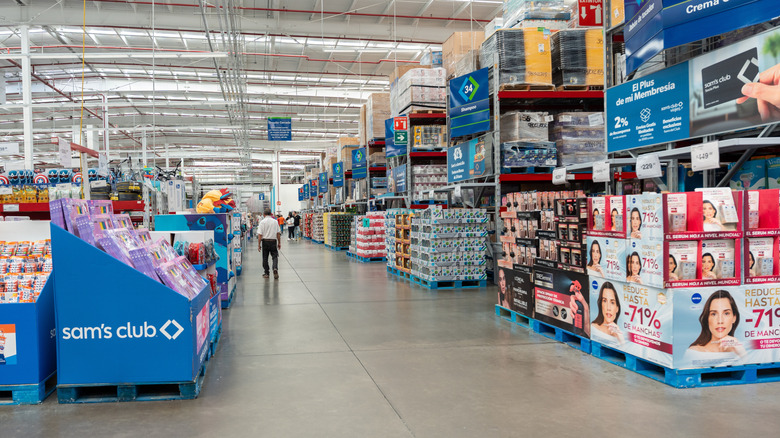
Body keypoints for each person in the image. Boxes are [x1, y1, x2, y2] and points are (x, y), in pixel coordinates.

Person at [687, 290, 746, 358]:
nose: (720, 321)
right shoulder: (694, 353)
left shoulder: (740, 351)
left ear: (734, 318)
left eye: (726, 313)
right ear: (707, 318)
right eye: (714, 314)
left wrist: (743, 355)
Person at [258, 208, 282, 279]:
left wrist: (259, 245)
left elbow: (260, 235)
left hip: (265, 241)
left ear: (264, 214)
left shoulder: (262, 222)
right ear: (271, 214)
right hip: (273, 241)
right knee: (275, 256)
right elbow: (278, 233)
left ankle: (266, 273)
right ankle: (275, 268)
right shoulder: (275, 222)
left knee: (265, 257)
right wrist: (279, 243)